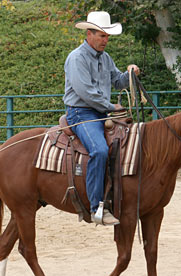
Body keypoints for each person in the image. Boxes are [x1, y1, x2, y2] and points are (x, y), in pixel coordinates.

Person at [63, 11, 140, 226]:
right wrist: (111, 106)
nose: (105, 40)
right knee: (99, 150)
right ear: (89, 33)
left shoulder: (105, 58)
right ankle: (96, 206)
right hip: (81, 113)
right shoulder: (76, 58)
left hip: (102, 113)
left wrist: (130, 75)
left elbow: (118, 82)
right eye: (101, 36)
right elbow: (85, 91)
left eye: (107, 36)